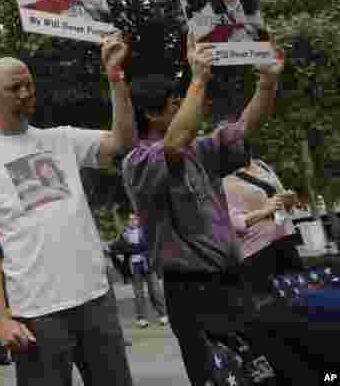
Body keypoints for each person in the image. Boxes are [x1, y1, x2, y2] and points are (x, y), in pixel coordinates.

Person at [122, 33, 338, 385]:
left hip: (233, 282)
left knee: (268, 369)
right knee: (218, 376)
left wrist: (267, 81)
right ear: (151, 114)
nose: (186, 108)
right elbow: (173, 145)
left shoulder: (200, 151)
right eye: (175, 104)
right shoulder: (139, 162)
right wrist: (199, 78)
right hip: (191, 291)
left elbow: (242, 129)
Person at [0, 33, 137, 386]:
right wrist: (1, 320)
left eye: (29, 86)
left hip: (94, 299)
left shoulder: (62, 139)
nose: (25, 94)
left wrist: (116, 80)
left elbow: (121, 142)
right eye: (14, 88)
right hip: (36, 314)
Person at [224, 158, 302, 293]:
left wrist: (289, 201)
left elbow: (282, 205)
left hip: (285, 241)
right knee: (275, 307)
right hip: (258, 252)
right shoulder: (225, 179)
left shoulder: (261, 165)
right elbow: (236, 224)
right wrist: (264, 211)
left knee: (302, 295)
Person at [113, 213, 168, 328]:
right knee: (138, 294)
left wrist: (131, 248)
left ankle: (163, 314)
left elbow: (146, 246)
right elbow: (118, 247)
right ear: (127, 221)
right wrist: (126, 250)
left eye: (134, 219)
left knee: (155, 291)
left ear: (138, 220)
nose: (132, 221)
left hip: (147, 264)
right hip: (134, 266)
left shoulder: (145, 231)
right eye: (130, 219)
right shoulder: (124, 234)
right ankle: (141, 318)